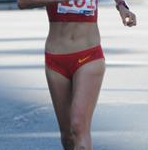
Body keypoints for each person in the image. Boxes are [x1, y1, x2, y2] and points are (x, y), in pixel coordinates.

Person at [17, 0, 136, 150]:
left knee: (79, 126)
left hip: (89, 54)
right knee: (68, 136)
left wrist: (121, 6)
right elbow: (22, 3)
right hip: (56, 58)